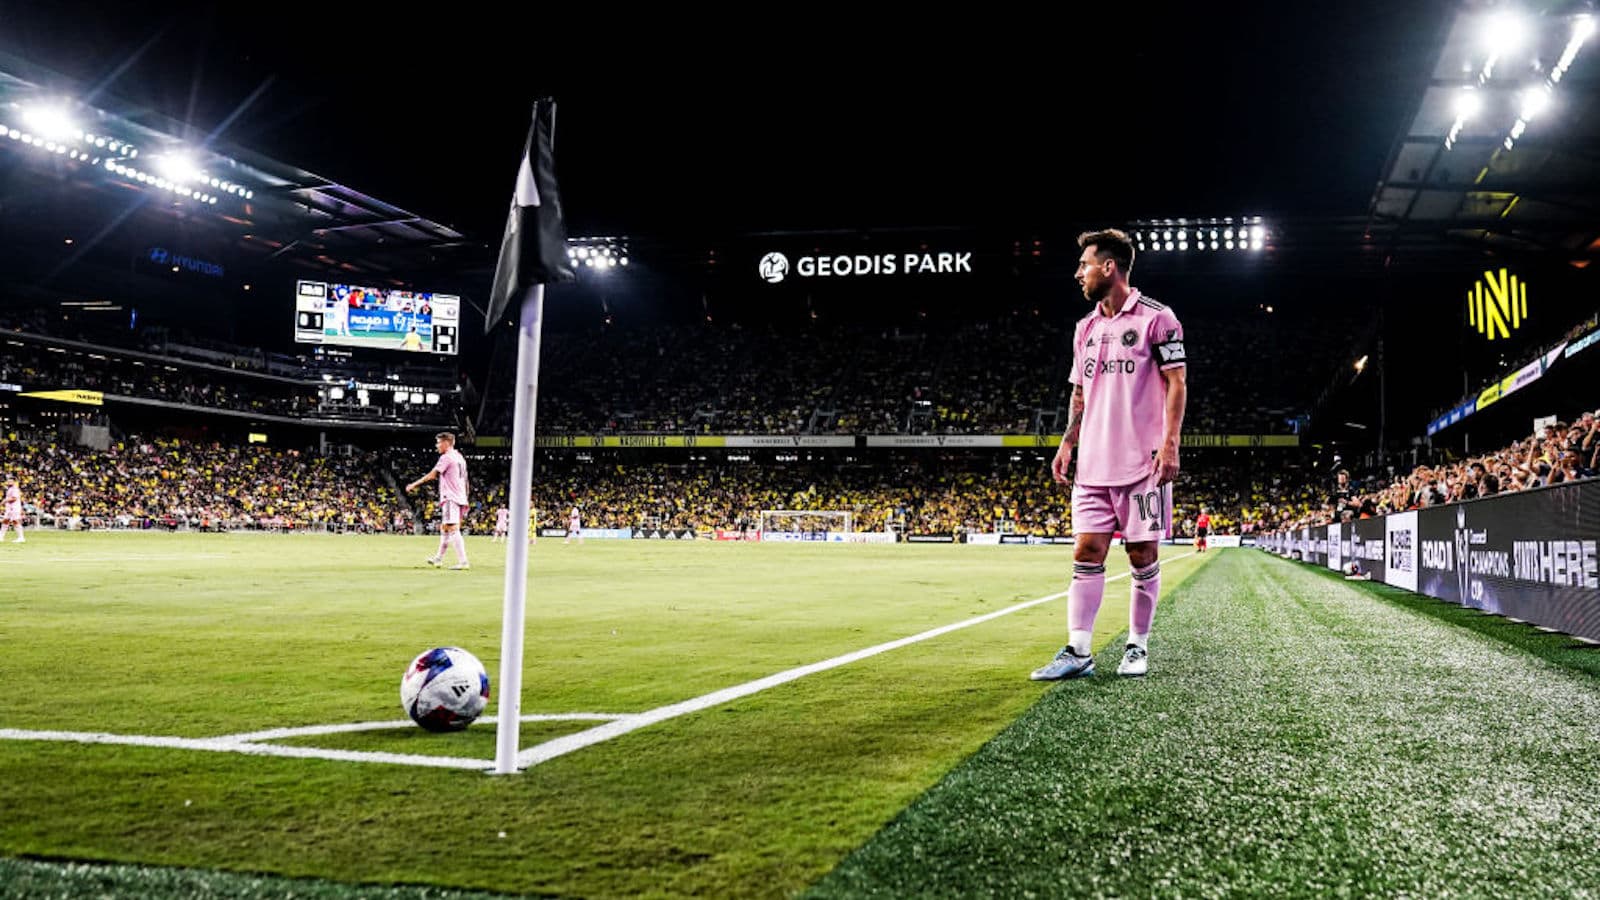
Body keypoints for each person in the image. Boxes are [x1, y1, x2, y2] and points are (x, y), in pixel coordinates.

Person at [1032, 228, 1187, 681]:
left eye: (1084, 265)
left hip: (1143, 464)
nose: (1078, 273)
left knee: (1142, 555)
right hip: (1093, 465)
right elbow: (1079, 392)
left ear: (1109, 267)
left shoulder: (1158, 318)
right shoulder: (1085, 328)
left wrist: (1171, 444)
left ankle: (1137, 646)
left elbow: (1177, 382)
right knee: (1086, 551)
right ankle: (1078, 651)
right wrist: (1067, 442)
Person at [406, 432, 470, 570]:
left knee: (452, 528)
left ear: (446, 443)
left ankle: (463, 561)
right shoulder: (459, 457)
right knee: (445, 527)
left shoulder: (446, 457)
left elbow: (432, 475)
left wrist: (413, 484)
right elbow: (465, 480)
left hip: (450, 497)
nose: (437, 445)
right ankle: (438, 558)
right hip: (460, 496)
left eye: (439, 442)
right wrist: (466, 496)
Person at [1, 477, 24, 543]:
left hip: (14, 508)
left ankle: (21, 537)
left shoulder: (15, 489)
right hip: (9, 508)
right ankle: (1, 537)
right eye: (8, 481)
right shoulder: (10, 489)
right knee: (5, 521)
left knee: (15, 521)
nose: (9, 482)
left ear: (14, 482)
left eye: (10, 481)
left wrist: (5, 501)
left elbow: (14, 498)